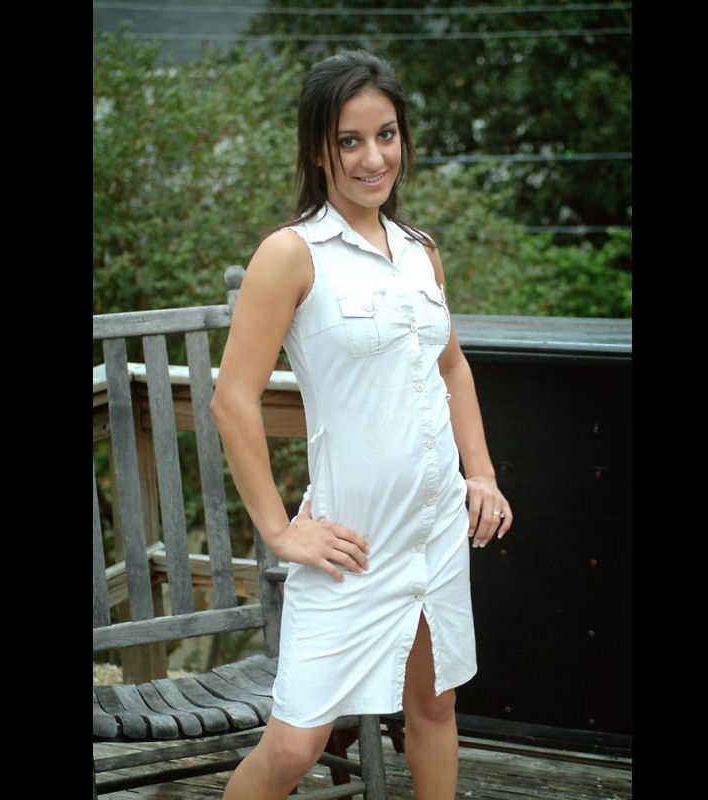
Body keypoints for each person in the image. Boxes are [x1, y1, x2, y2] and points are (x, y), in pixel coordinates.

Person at [210, 49, 513, 800]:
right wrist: (279, 531)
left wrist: (481, 472)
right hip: (350, 542)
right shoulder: (291, 254)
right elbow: (232, 398)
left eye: (386, 135)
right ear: (319, 149)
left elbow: (452, 368)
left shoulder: (421, 253)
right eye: (350, 140)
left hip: (435, 526)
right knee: (293, 748)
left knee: (434, 706)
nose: (373, 158)